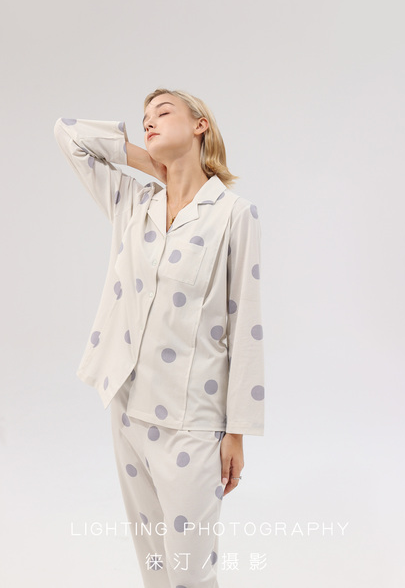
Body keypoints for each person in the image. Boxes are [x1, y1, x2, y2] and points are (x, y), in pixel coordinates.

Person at [54, 88, 265, 587]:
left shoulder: (233, 214)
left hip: (193, 421)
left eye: (163, 112)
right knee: (154, 566)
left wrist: (237, 430)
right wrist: (154, 165)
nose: (148, 121)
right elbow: (67, 134)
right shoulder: (135, 203)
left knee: (190, 573)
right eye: (144, 117)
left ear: (200, 125)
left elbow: (246, 325)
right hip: (127, 407)